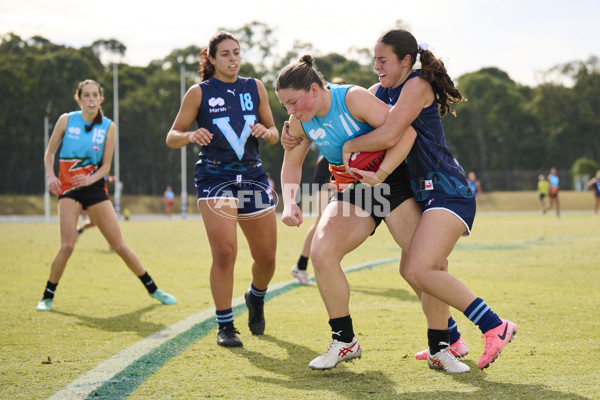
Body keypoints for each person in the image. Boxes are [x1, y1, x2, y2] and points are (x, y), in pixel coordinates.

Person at [277, 55, 470, 373]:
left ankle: (441, 347)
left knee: (426, 266)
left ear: (314, 89)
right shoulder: (300, 120)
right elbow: (292, 161)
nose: (291, 112)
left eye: (293, 102)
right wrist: (291, 202)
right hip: (352, 191)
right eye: (285, 106)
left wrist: (380, 173)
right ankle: (344, 341)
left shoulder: (352, 98)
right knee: (322, 251)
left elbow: (404, 134)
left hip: (393, 182)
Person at [341, 29, 517, 371]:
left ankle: (495, 326)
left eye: (383, 60)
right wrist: (297, 127)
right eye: (374, 59)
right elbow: (349, 115)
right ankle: (450, 340)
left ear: (406, 60)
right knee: (411, 270)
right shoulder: (382, 90)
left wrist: (350, 148)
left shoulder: (417, 85)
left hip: (448, 190)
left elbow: (391, 133)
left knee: (423, 268)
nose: (376, 66)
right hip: (424, 193)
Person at [166, 31, 279, 348]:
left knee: (267, 258)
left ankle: (255, 297)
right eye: (226, 54)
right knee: (226, 253)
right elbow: (172, 135)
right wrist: (190, 136)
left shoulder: (254, 87)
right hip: (215, 178)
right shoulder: (199, 93)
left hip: (253, 176)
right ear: (212, 59)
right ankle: (225, 325)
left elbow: (272, 131)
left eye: (237, 52)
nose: (233, 58)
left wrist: (265, 131)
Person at [37, 79, 177, 312]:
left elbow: (106, 167)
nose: (91, 99)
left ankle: (154, 290)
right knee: (68, 246)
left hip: (95, 190)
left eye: (95, 95)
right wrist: (51, 176)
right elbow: (49, 153)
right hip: (68, 189)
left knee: (120, 245)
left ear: (100, 99)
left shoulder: (108, 127)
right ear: (79, 99)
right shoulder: (65, 120)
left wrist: (90, 179)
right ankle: (47, 296)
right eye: (87, 95)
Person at [290, 149, 331, 286]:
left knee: (331, 222)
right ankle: (301, 266)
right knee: (322, 221)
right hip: (328, 166)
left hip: (336, 167)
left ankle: (325, 264)